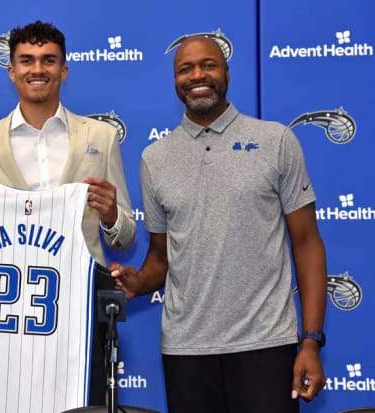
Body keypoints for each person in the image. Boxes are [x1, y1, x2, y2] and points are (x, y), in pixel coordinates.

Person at [110, 35, 327, 413]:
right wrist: (138, 281)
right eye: (185, 69)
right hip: (186, 350)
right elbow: (161, 258)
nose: (197, 75)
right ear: (175, 80)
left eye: (208, 65)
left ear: (226, 72)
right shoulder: (155, 158)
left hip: (266, 344)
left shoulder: (275, 140)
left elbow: (307, 244)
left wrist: (310, 341)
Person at [0, 20, 136, 410]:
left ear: (64, 69)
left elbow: (124, 238)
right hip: (3, 312)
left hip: (79, 307)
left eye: (48, 60)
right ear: (11, 71)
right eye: (26, 60)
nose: (37, 69)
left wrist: (111, 215)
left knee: (80, 404)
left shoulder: (100, 138)